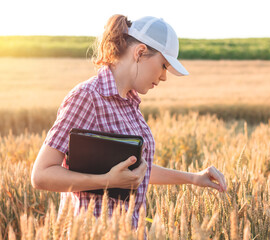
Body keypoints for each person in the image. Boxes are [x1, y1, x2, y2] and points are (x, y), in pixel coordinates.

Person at [31, 14, 227, 230]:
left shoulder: (130, 104)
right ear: (140, 52)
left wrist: (193, 178)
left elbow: (135, 171)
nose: (164, 77)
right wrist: (107, 181)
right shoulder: (88, 97)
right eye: (163, 65)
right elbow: (41, 175)